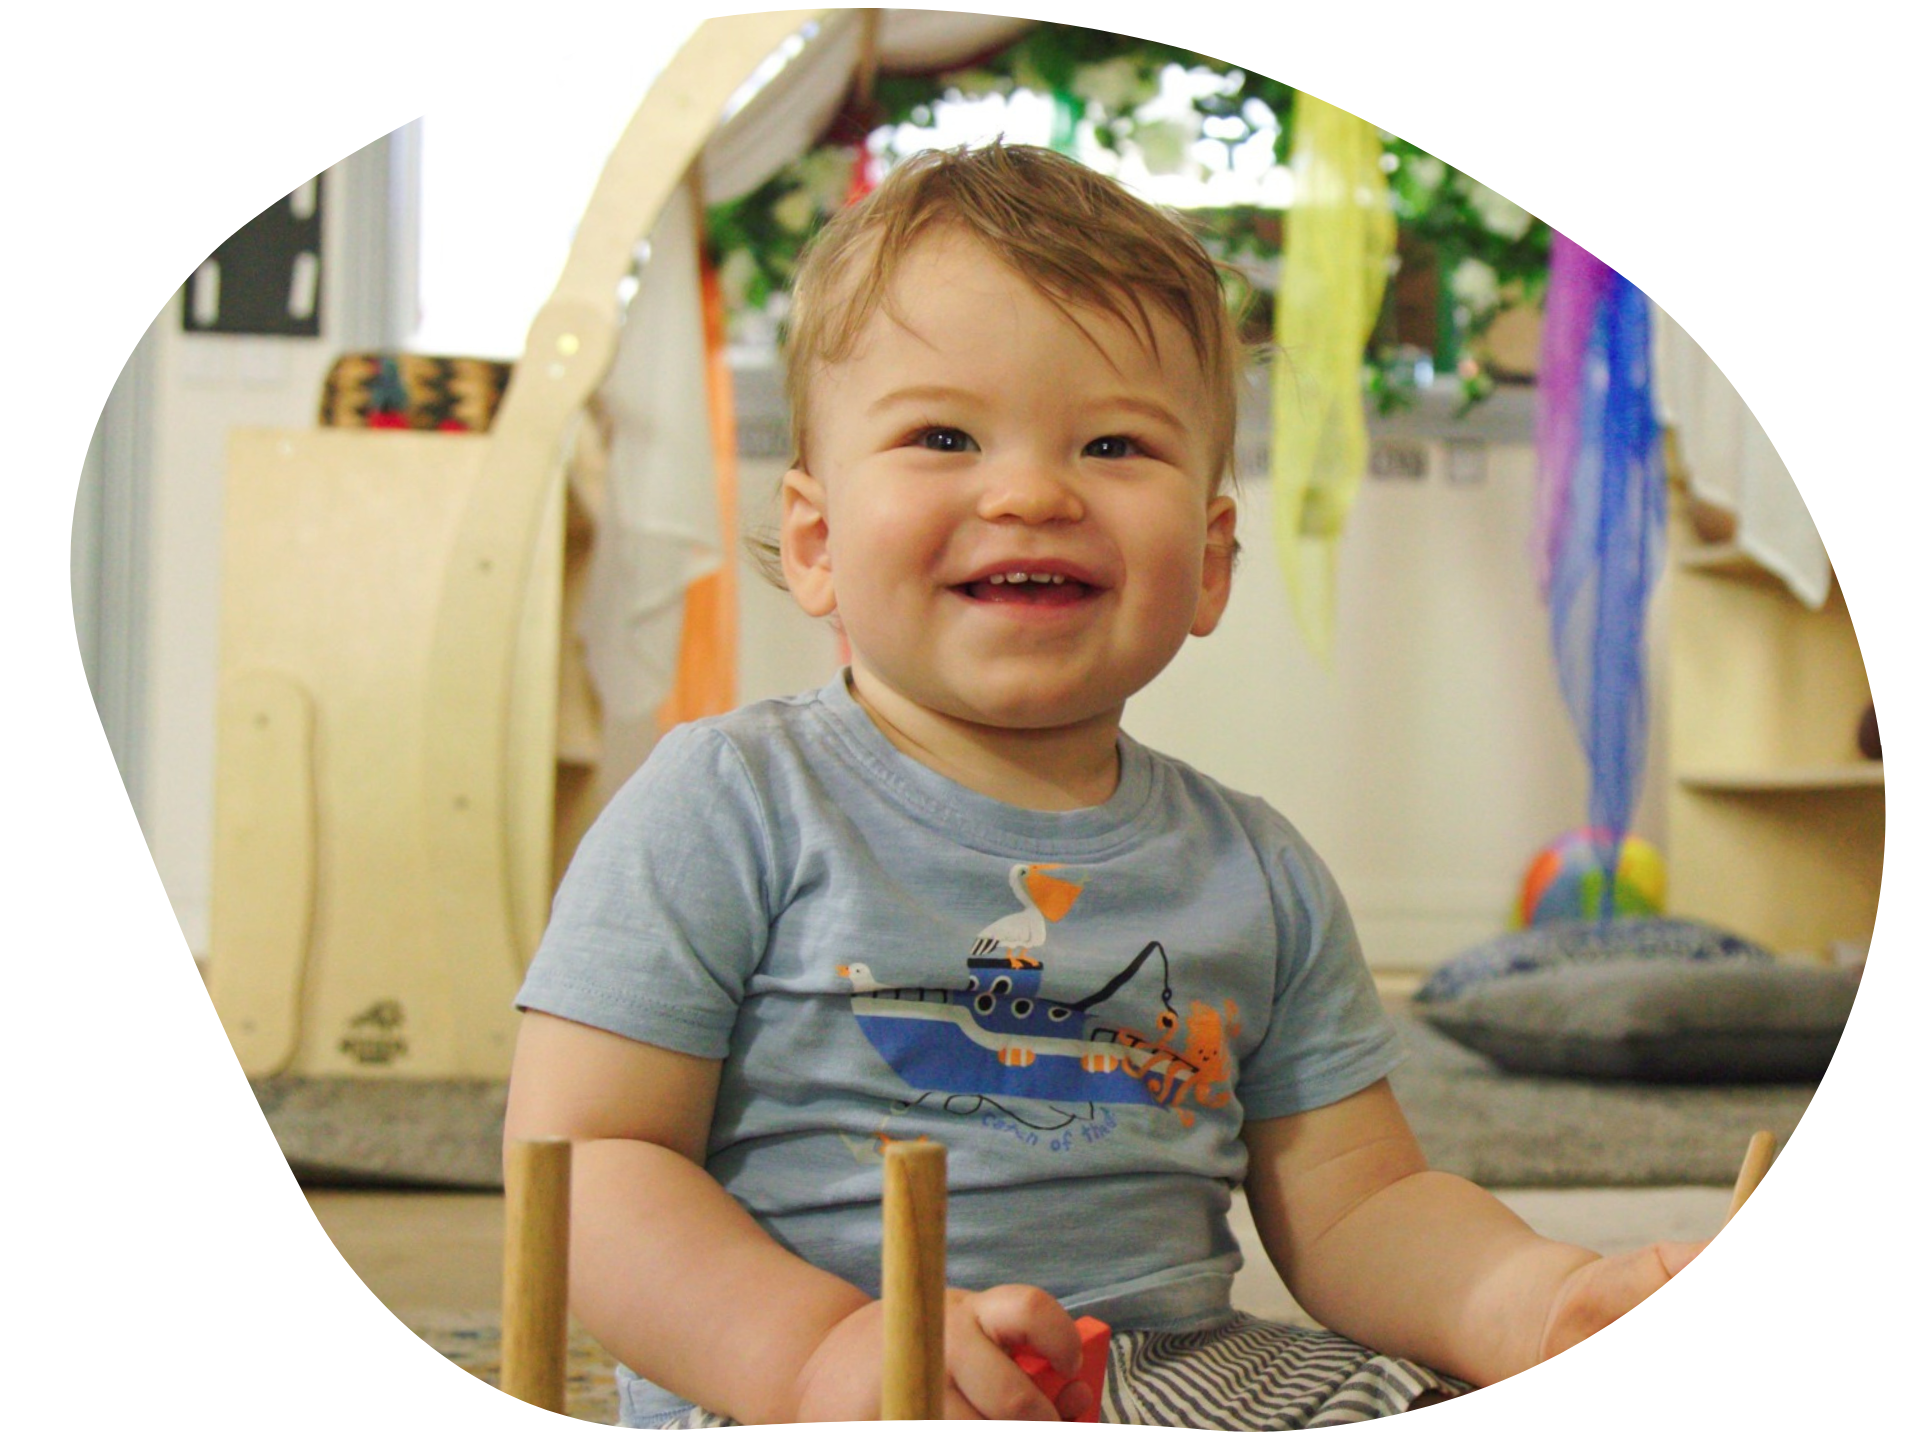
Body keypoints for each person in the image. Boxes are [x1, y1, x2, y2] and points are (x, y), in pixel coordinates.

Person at [505, 142, 1706, 1427]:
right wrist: (814, 1357)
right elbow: (589, 1163)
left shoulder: (1258, 869)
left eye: (1115, 442)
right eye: (944, 434)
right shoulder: (725, 800)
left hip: (1171, 1371)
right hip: (818, 1373)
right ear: (816, 542)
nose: (1030, 491)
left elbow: (1365, 1206)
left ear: (1207, 560)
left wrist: (1531, 1299)